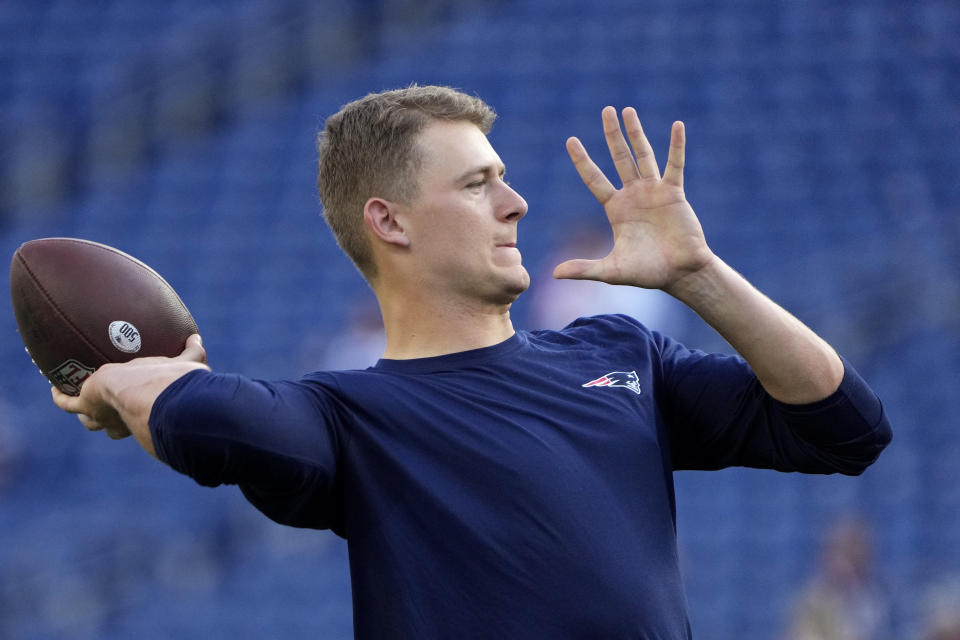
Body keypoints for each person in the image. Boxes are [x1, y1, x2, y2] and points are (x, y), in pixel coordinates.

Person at [52, 85, 892, 639]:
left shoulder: (619, 353)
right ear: (390, 222)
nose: (515, 202)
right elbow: (209, 420)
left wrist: (701, 275)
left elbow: (844, 428)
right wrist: (125, 382)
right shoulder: (346, 418)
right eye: (477, 183)